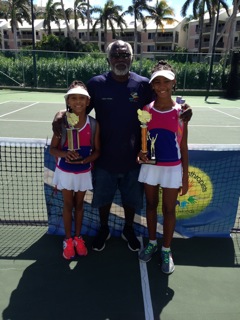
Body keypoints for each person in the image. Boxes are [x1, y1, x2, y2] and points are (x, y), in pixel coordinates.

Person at [52, 40, 192, 253]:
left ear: (132, 58)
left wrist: (185, 107)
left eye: (125, 55)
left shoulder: (144, 84)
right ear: (108, 59)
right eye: (116, 55)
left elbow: (166, 100)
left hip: (135, 159)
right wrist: (60, 114)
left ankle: (128, 229)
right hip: (103, 158)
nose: (121, 59)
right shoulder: (96, 84)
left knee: (131, 201)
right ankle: (104, 229)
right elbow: (75, 105)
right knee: (104, 199)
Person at [137, 61, 189, 274]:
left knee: (169, 210)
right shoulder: (146, 110)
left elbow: (183, 145)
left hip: (172, 169)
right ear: (152, 85)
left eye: (166, 81)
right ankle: (151, 242)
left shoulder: (182, 111)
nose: (161, 86)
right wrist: (140, 153)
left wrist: (185, 176)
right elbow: (143, 142)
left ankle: (166, 250)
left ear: (173, 83)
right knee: (150, 206)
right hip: (151, 168)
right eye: (157, 82)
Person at [49, 80, 100, 260]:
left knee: (79, 206)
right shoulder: (61, 124)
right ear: (68, 102)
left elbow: (97, 150)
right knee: (68, 205)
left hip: (83, 172)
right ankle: (68, 239)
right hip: (65, 172)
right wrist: (64, 154)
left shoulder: (93, 124)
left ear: (88, 102)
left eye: (81, 98)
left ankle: (78, 238)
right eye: (73, 98)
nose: (78, 102)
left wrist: (87, 159)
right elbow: (52, 149)